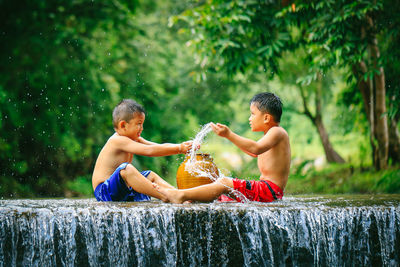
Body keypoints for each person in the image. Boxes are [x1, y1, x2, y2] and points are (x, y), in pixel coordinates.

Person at [154, 92, 291, 203]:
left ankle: (181, 195)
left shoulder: (277, 132)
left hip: (268, 191)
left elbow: (255, 148)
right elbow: (254, 152)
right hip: (266, 190)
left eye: (253, 114)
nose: (250, 118)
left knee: (224, 182)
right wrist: (227, 136)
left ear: (266, 118)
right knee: (221, 195)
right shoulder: (270, 134)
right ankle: (190, 198)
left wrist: (229, 134)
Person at [92, 99, 192, 202]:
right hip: (104, 192)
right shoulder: (117, 140)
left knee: (150, 175)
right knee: (126, 169)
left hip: (122, 189)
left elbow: (156, 146)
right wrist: (179, 148)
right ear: (123, 125)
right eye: (139, 124)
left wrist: (180, 147)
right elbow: (149, 151)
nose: (142, 128)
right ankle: (165, 196)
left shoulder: (134, 139)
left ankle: (179, 195)